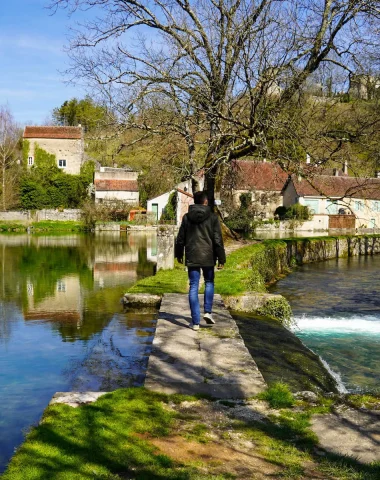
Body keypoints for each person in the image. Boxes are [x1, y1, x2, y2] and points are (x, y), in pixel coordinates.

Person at [175, 191, 226, 331]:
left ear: (195, 202)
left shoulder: (186, 218)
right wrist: (221, 258)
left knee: (193, 286)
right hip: (208, 256)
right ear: (205, 202)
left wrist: (178, 254)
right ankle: (208, 312)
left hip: (192, 255)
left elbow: (180, 238)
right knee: (209, 282)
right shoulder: (213, 218)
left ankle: (195, 322)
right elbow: (217, 240)